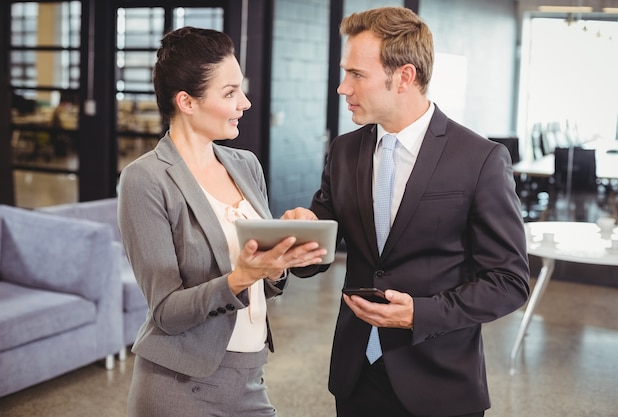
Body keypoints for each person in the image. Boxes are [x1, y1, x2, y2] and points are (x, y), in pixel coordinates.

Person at [283, 7, 530, 417]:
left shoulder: (480, 159)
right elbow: (317, 255)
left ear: (404, 77)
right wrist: (302, 237)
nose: (343, 88)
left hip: (440, 383)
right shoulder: (345, 151)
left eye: (356, 75)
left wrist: (420, 313)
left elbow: (509, 282)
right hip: (355, 374)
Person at [117, 27, 326, 417]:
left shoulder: (245, 165)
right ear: (187, 102)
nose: (244, 102)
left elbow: (266, 281)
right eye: (229, 93)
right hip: (180, 386)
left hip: (251, 378)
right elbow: (166, 312)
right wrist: (241, 277)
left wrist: (280, 258)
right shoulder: (144, 180)